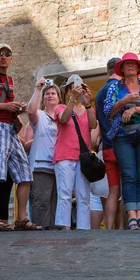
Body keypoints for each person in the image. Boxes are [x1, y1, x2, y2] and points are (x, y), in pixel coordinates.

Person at [0, 44, 41, 231]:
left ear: (11, 59)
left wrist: (17, 110)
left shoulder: (10, 80)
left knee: (25, 174)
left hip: (10, 129)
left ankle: (21, 218)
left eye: (7, 55)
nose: (4, 57)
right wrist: (6, 107)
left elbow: (7, 105)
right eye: (0, 54)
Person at [104, 53, 140, 230]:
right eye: (126, 64)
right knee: (128, 175)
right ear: (121, 69)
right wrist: (123, 102)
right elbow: (108, 113)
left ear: (138, 68)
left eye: (132, 64)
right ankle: (131, 217)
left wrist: (135, 109)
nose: (129, 66)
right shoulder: (114, 89)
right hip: (122, 136)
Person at [54, 74, 96, 230]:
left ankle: (83, 229)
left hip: (82, 158)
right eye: (73, 87)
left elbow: (92, 125)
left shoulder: (87, 109)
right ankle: (64, 227)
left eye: (79, 87)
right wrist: (72, 100)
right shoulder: (60, 107)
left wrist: (88, 104)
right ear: (68, 90)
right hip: (64, 156)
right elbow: (63, 119)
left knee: (83, 196)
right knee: (65, 193)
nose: (76, 90)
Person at [26, 77, 61, 229]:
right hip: (41, 166)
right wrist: (38, 89)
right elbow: (30, 111)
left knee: (57, 203)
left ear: (59, 98)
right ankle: (40, 233)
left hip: (60, 166)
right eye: (47, 93)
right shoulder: (39, 115)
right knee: (41, 202)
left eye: (53, 93)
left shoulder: (63, 117)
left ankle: (53, 236)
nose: (50, 95)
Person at [94, 57, 122, 229]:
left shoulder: (99, 94)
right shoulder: (119, 88)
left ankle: (111, 227)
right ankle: (126, 227)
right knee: (128, 189)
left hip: (107, 147)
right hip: (123, 144)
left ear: (107, 71)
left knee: (112, 191)